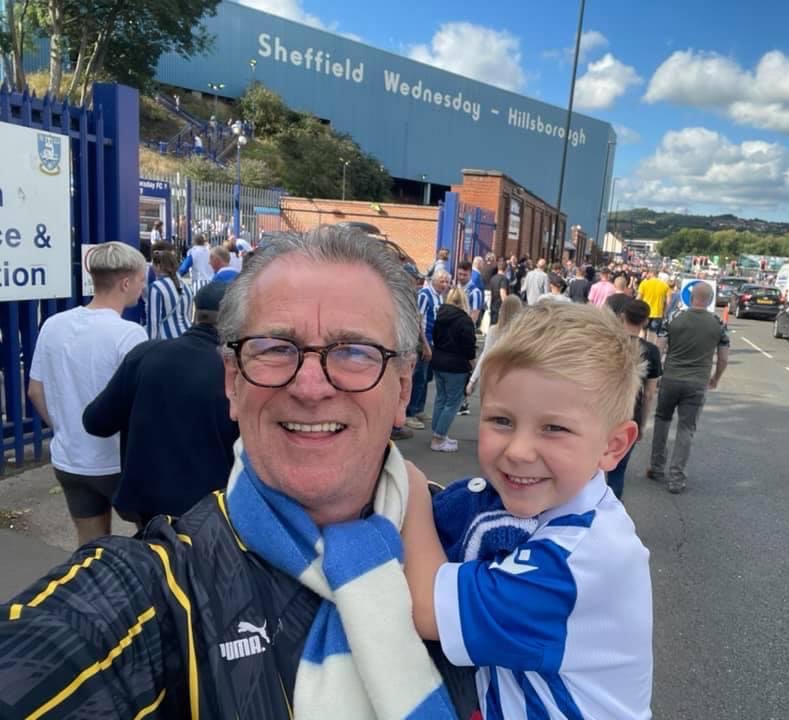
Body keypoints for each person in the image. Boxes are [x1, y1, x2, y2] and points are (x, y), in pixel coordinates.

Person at [0, 227, 477, 719]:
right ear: (232, 381)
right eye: (275, 348)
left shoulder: (482, 544)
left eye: (354, 351)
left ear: (402, 390)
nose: (310, 388)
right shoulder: (154, 591)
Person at [402, 301, 653, 719]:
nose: (518, 451)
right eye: (501, 420)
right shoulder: (567, 511)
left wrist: (408, 493)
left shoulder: (580, 558)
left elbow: (427, 611)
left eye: (554, 428)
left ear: (613, 446)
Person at [82, 282, 239, 528]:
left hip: (146, 505)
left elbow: (95, 422)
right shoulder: (238, 372)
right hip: (211, 514)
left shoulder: (145, 354)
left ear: (194, 312)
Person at [26, 242, 148, 547]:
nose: (143, 287)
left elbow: (35, 390)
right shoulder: (129, 334)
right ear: (125, 282)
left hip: (69, 459)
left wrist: (64, 427)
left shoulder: (53, 325)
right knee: (153, 540)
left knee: (89, 547)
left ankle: (91, 594)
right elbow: (141, 404)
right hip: (116, 463)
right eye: (142, 279)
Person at [648, 282, 729, 494]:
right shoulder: (718, 323)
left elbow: (659, 348)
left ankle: (657, 467)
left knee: (662, 420)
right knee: (686, 429)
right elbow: (723, 358)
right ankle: (676, 478)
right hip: (697, 383)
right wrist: (715, 378)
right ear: (710, 300)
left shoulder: (673, 318)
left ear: (690, 297)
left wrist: (656, 376)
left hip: (671, 378)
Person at [606, 299, 662, 499]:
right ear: (645, 322)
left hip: (602, 410)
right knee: (617, 471)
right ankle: (611, 516)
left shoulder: (608, 344)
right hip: (630, 414)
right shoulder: (651, 351)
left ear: (622, 317)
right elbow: (649, 393)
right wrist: (642, 424)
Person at [428, 288, 476, 452]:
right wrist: (472, 361)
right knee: (452, 402)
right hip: (456, 365)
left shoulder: (440, 316)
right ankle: (438, 438)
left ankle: (437, 433)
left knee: (441, 398)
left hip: (439, 360)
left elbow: (434, 337)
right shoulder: (465, 320)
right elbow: (469, 346)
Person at [405, 269, 450, 430]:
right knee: (419, 377)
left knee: (425, 378)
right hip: (423, 341)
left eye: (446, 282)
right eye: (442, 281)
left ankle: (418, 409)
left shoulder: (438, 295)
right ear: (434, 280)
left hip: (433, 341)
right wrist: (424, 344)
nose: (445, 285)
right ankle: (409, 413)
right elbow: (418, 320)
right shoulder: (425, 295)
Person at [465, 295, 523, 397]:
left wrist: (473, 380)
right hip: (516, 377)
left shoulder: (494, 331)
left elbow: (485, 355)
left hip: (495, 376)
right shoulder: (523, 333)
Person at [147, 246, 195, 340]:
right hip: (188, 337)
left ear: (158, 266)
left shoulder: (156, 287)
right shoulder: (187, 287)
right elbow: (188, 316)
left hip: (167, 340)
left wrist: (151, 345)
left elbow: (153, 322)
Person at [637, 272, 671, 341]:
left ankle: (641, 347)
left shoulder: (644, 283)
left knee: (642, 330)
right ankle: (650, 349)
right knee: (652, 333)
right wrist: (664, 312)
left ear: (651, 274)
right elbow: (668, 302)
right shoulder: (665, 286)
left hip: (645, 311)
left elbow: (638, 298)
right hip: (658, 313)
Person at [487, 258, 509, 325]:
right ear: (506, 268)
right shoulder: (504, 279)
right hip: (500, 307)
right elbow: (503, 293)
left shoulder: (493, 278)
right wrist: (508, 305)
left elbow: (490, 293)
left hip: (493, 306)